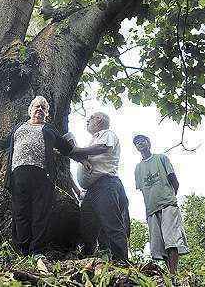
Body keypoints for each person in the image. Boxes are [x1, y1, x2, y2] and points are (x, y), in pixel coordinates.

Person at [0, 96, 77, 257]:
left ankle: (37, 250)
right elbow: (0, 144)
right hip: (19, 175)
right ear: (30, 109)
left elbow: (66, 148)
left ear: (47, 113)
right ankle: (23, 250)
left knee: (40, 212)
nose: (39, 109)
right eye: (36, 106)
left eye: (43, 108)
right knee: (20, 212)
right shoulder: (18, 127)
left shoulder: (49, 129)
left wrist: (75, 147)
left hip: (43, 174)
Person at [75, 112, 130, 262]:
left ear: (99, 119)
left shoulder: (106, 133)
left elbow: (102, 147)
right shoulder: (94, 138)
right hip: (91, 190)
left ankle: (121, 261)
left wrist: (76, 151)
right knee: (87, 225)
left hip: (106, 184)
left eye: (90, 118)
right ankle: (87, 257)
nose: (87, 121)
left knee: (112, 224)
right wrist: (79, 157)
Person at [133, 134, 188, 275]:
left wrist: (170, 198)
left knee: (171, 240)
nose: (140, 143)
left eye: (142, 140)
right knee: (159, 244)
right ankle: (169, 273)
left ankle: (173, 273)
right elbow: (143, 189)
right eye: (137, 142)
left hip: (168, 205)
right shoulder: (138, 168)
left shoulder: (161, 158)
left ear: (148, 143)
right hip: (151, 209)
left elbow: (174, 181)